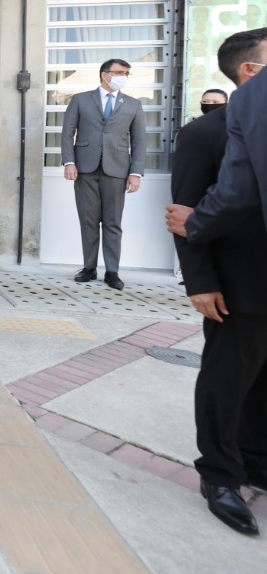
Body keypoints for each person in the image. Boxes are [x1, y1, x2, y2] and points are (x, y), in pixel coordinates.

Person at [166, 29, 267, 536]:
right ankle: (221, 475)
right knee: (228, 379)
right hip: (235, 282)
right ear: (250, 71)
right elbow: (184, 213)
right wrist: (198, 280)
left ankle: (256, 460)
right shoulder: (207, 133)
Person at [60, 59, 145, 290]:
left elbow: (139, 141)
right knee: (88, 221)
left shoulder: (133, 105)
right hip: (85, 169)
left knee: (112, 223)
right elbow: (68, 133)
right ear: (104, 74)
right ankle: (88, 267)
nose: (124, 76)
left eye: (127, 73)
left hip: (117, 170)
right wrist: (69, 162)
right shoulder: (80, 99)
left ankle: (112, 271)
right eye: (120, 72)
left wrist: (135, 173)